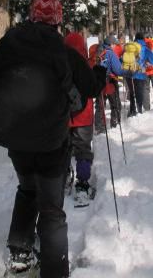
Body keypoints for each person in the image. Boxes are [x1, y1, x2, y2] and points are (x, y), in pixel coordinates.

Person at [0, 0, 106, 278]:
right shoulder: (60, 48)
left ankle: (20, 253)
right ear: (57, 19)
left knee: (27, 189)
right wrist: (99, 72)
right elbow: (88, 88)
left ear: (32, 15)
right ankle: (54, 271)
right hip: (51, 139)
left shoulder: (8, 43)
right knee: (51, 208)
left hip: (14, 137)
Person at [64, 32, 101, 207]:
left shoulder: (59, 64)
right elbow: (95, 88)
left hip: (63, 116)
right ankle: (83, 185)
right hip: (84, 116)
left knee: (62, 149)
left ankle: (62, 180)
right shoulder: (86, 63)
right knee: (83, 150)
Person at [94, 35, 124, 133]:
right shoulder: (110, 53)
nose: (115, 46)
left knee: (100, 104)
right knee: (115, 103)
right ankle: (115, 124)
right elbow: (118, 70)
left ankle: (99, 127)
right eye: (114, 44)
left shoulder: (97, 51)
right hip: (110, 81)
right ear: (111, 44)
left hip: (98, 80)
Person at [131, 32, 153, 114]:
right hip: (141, 71)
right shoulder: (144, 48)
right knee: (144, 90)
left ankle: (135, 110)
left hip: (130, 72)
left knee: (135, 91)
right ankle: (145, 110)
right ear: (143, 39)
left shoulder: (130, 48)